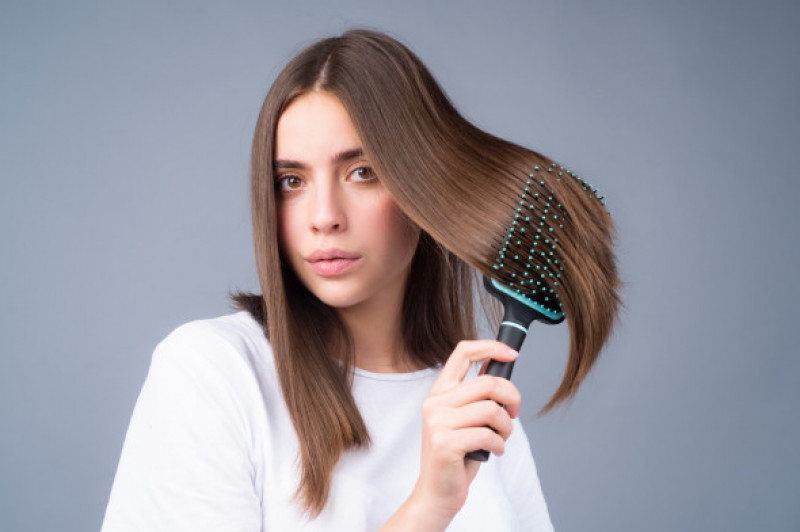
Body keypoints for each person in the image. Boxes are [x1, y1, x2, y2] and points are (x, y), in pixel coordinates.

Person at [102, 29, 558, 531]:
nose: (324, 217)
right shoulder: (213, 374)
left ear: (424, 184)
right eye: (291, 182)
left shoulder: (473, 406)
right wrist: (428, 507)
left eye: (362, 172)